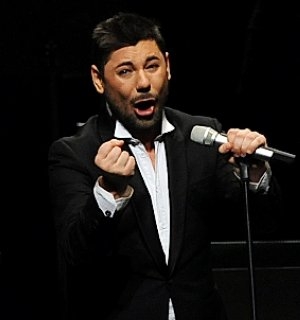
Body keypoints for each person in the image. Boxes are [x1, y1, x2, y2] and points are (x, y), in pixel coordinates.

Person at [48, 11, 282, 320]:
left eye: (152, 66)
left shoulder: (202, 135)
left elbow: (262, 226)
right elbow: (75, 256)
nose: (144, 83)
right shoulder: (74, 153)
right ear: (98, 79)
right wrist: (108, 190)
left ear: (168, 67)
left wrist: (252, 171)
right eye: (125, 71)